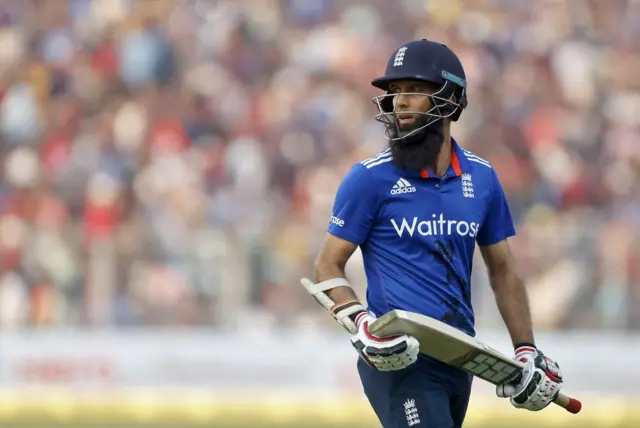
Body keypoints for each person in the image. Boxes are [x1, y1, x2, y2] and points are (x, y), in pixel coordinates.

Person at [302, 39, 564, 428]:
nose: (400, 102)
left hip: (459, 358)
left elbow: (503, 270)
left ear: (451, 98)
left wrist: (526, 350)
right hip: (398, 356)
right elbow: (328, 263)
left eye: (414, 90)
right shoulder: (369, 179)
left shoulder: (482, 178)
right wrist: (361, 326)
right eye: (394, 93)